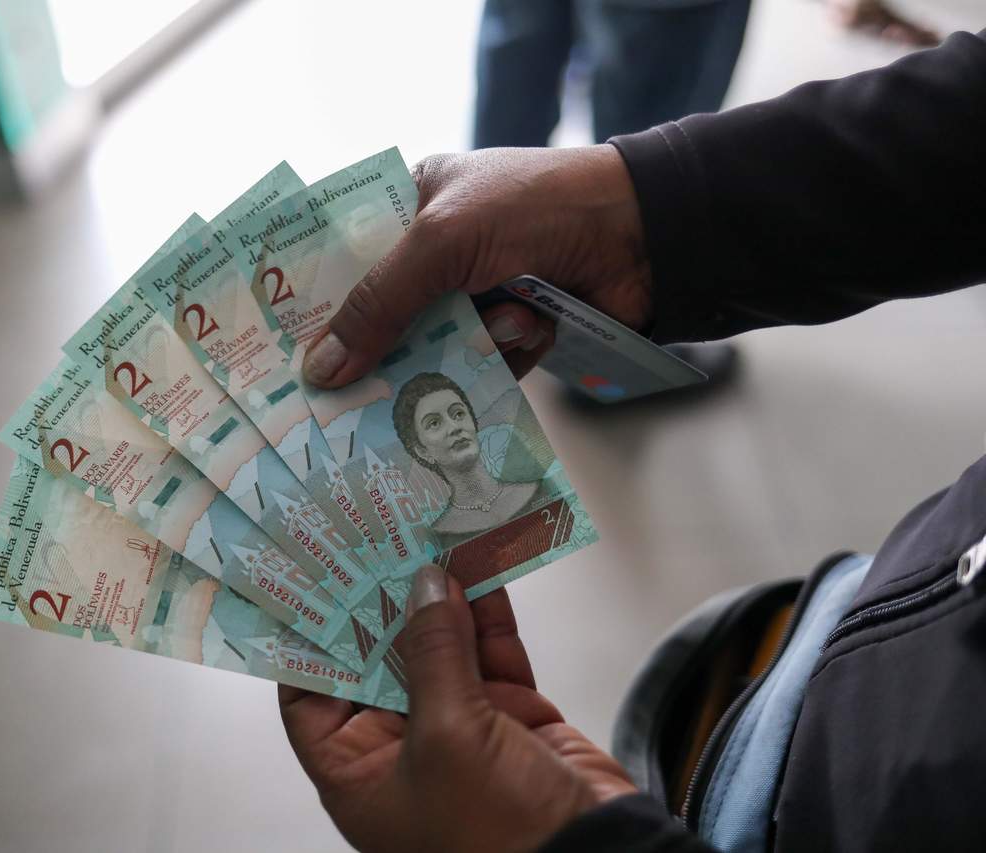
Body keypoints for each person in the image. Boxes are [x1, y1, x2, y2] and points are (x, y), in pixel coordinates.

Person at [281, 28, 986, 853]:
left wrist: (578, 843)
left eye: (448, 415)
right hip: (834, 645)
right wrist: (641, 213)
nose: (451, 426)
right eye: (433, 424)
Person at [392, 372, 541, 541]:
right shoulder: (440, 537)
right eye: (434, 423)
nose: (454, 427)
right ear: (422, 451)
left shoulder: (539, 489)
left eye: (458, 414)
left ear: (473, 423)